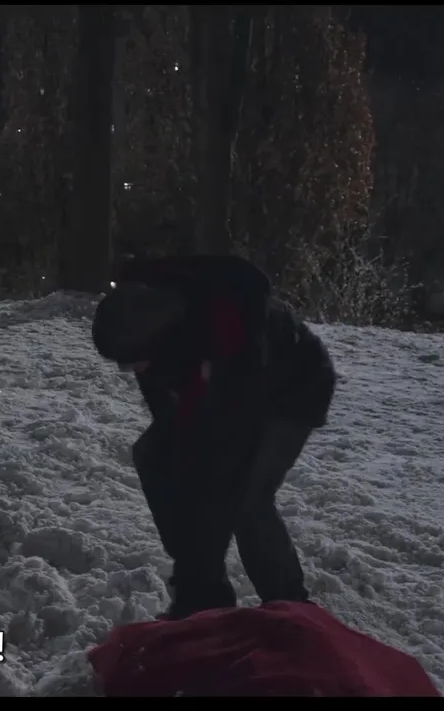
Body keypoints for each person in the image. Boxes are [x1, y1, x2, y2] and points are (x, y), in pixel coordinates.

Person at [92, 254, 336, 619]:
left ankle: (289, 606)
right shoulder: (155, 339)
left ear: (154, 338)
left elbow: (225, 451)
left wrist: (201, 537)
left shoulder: (227, 329)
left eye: (132, 360)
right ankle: (206, 594)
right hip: (229, 390)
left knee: (247, 495)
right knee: (154, 456)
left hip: (294, 388)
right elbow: (183, 435)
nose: (133, 369)